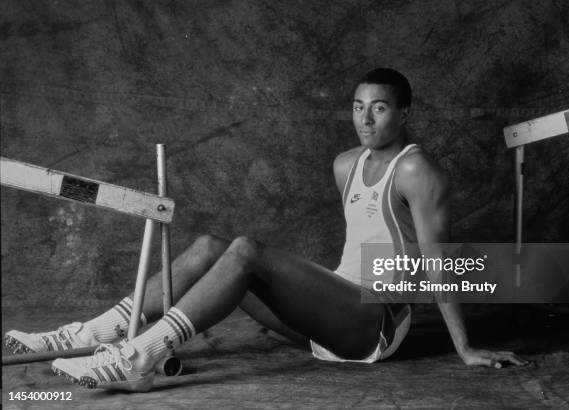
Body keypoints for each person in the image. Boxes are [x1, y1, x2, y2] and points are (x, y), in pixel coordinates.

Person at [4, 68, 527, 392]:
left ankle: (139, 357)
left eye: (380, 108)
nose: (365, 119)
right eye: (357, 106)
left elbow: (436, 263)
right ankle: (84, 336)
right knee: (212, 246)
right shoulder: (346, 163)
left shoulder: (418, 169)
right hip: (330, 316)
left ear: (405, 113)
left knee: (247, 251)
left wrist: (464, 348)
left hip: (373, 323)